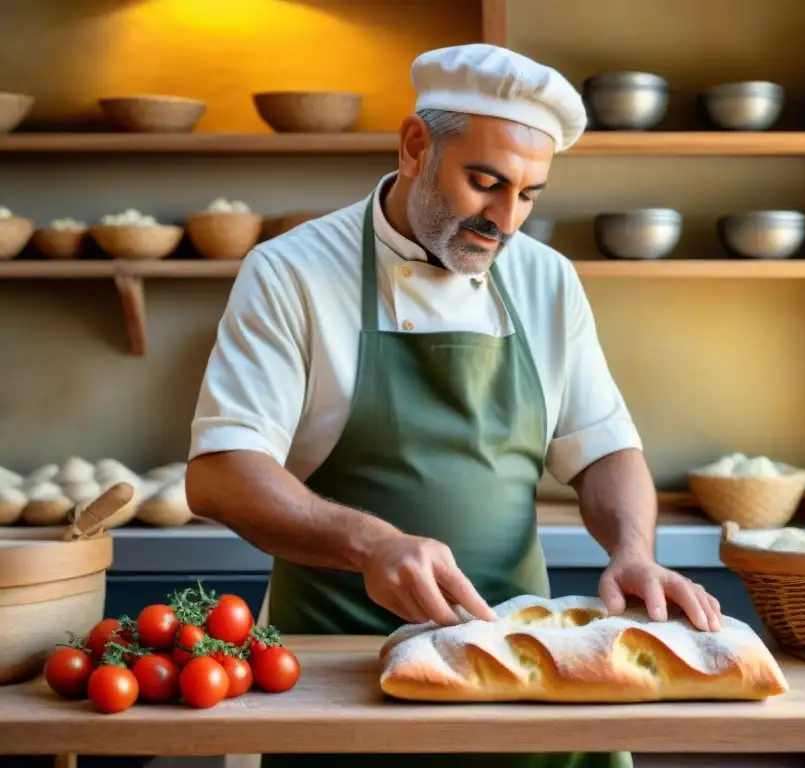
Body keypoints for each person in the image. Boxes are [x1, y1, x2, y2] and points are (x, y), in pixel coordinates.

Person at [185, 43, 723, 768]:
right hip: (345, 672)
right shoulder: (292, 272)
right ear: (414, 147)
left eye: (529, 194)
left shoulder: (546, 279)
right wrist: (373, 544)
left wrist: (633, 551)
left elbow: (603, 447)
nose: (506, 219)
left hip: (523, 665)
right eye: (485, 182)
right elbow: (221, 474)